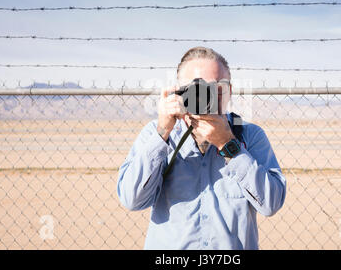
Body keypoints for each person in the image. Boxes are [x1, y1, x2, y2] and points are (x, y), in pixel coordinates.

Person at [117, 47, 286, 249]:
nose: (204, 96)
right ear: (177, 92)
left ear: (229, 92)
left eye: (215, 89)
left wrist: (229, 145)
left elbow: (270, 204)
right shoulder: (156, 134)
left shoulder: (250, 136)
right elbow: (132, 200)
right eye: (195, 89)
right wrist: (162, 133)